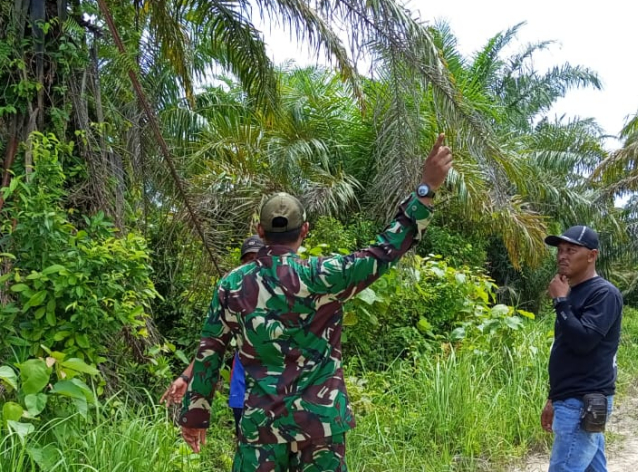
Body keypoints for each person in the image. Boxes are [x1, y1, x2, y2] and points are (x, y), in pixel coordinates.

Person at [179, 134, 452, 471]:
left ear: (259, 232)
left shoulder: (232, 285)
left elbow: (211, 351)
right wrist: (426, 189)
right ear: (304, 230)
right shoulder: (324, 276)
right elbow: (385, 251)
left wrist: (195, 416)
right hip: (320, 427)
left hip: (260, 429)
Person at [160, 235, 264, 437]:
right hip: (243, 391)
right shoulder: (235, 299)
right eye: (247, 260)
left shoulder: (286, 296)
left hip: (281, 396)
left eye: (256, 259)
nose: (251, 265)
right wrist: (186, 377)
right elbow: (213, 346)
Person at [541, 225, 623, 472]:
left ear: (592, 255)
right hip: (571, 398)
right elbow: (565, 351)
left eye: (571, 250)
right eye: (560, 250)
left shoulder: (604, 293)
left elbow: (584, 341)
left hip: (584, 401)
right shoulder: (572, 293)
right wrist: (553, 397)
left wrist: (560, 302)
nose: (562, 255)